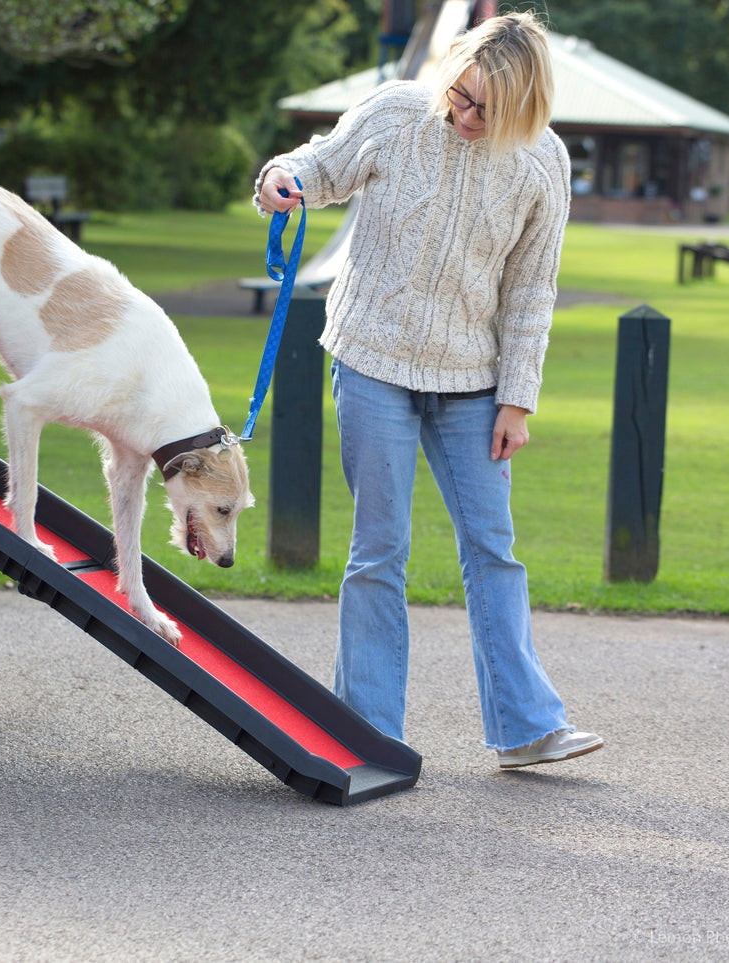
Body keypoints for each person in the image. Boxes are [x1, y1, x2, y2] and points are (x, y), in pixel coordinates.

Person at [254, 10, 602, 769]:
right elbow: (317, 165)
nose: (464, 114)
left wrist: (517, 397)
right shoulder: (397, 110)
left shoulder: (543, 163)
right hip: (372, 360)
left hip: (473, 381)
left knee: (493, 548)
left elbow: (530, 291)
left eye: (485, 108)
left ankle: (526, 727)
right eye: (461, 94)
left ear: (524, 107)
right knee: (380, 548)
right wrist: (283, 181)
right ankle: (367, 731)